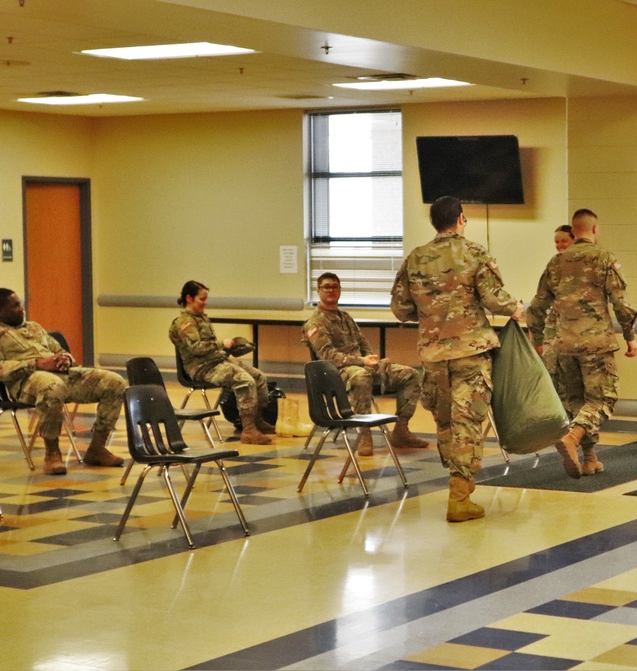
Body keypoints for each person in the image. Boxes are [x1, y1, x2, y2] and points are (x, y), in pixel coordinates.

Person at [390, 196, 522, 523]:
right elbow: (494, 299)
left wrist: (430, 309)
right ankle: (459, 496)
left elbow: (401, 309)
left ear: (435, 222)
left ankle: (456, 485)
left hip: (433, 356)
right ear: (461, 219)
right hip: (470, 353)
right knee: (467, 423)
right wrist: (516, 309)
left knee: (445, 421)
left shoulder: (416, 258)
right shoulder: (475, 253)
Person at [527, 209, 637, 479]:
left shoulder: (556, 262)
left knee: (578, 402)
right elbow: (621, 304)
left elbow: (537, 306)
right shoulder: (604, 258)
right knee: (602, 399)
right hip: (596, 344)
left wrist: (539, 341)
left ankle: (590, 458)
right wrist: (630, 336)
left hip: (564, 344)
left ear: (573, 232)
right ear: (595, 230)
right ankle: (573, 438)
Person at [0, 288, 125, 475]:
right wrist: (37, 363)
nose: (21, 308)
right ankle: (52, 453)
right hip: (27, 381)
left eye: (20, 303)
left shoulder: (34, 327)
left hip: (63, 375)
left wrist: (65, 358)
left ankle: (97, 448)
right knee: (52, 387)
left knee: (115, 382)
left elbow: (58, 349)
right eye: (15, 305)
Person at [302, 272, 428, 455]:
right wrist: (361, 361)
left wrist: (370, 360)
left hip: (361, 368)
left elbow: (363, 345)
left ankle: (401, 430)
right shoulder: (315, 323)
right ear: (318, 290)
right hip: (336, 375)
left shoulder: (345, 318)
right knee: (361, 376)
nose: (331, 291)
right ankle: (364, 435)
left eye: (335, 287)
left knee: (410, 374)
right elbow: (328, 357)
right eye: (326, 287)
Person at [169, 280, 273, 445]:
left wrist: (229, 351)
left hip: (217, 362)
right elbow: (196, 348)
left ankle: (257, 420)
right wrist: (220, 344)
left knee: (258, 377)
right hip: (202, 368)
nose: (205, 303)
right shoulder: (184, 323)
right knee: (244, 380)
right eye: (202, 299)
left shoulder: (201, 318)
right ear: (189, 298)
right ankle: (248, 430)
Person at [541, 225, 575, 374]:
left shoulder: (586, 264)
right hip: (555, 330)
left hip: (576, 332)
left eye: (564, 241)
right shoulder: (554, 264)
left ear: (575, 240)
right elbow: (541, 298)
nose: (560, 246)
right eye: (557, 242)